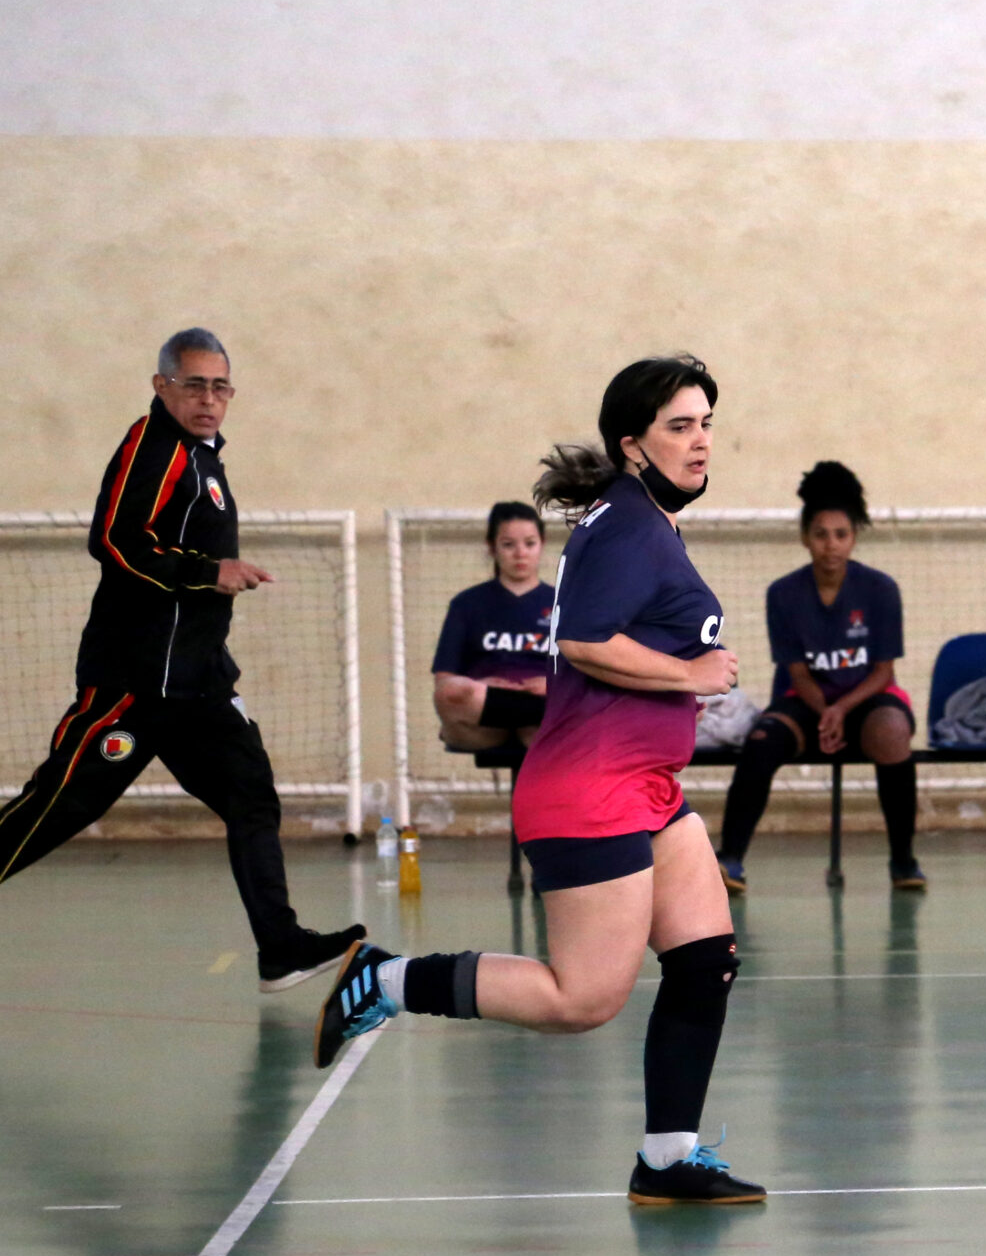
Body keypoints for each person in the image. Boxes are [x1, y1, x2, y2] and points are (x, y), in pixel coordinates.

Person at [314, 355, 762, 1206]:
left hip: (645, 785)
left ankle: (668, 1160)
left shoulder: (643, 517)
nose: (701, 440)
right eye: (680, 426)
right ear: (633, 444)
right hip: (590, 786)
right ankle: (384, 978)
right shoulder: (629, 524)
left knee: (706, 962)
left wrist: (682, 678)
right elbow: (588, 641)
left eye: (705, 422)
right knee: (581, 999)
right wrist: (693, 675)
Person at [0, 328, 361, 992]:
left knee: (251, 798)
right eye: (194, 385)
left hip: (196, 686)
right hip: (134, 681)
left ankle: (281, 947)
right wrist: (207, 570)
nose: (208, 399)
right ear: (163, 387)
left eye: (220, 387)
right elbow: (116, 541)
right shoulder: (154, 446)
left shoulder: (204, 459)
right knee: (60, 806)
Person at [714, 462, 921, 892]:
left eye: (841, 535)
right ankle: (730, 860)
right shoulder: (783, 594)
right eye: (821, 534)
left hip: (868, 697)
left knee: (892, 731)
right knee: (761, 742)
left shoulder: (881, 589)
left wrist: (842, 709)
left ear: (854, 537)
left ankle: (903, 861)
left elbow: (884, 671)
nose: (832, 545)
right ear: (805, 537)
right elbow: (796, 671)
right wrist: (826, 712)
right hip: (805, 700)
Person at [432, 501, 555, 751]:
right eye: (509, 545)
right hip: (483, 716)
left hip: (547, 706)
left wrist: (553, 683)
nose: (520, 553)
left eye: (529, 543)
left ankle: (531, 722)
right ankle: (521, 718)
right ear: (492, 548)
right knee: (450, 693)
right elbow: (444, 679)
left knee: (575, 695)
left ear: (541, 545)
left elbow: (586, 672)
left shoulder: (566, 603)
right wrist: (484, 687)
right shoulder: (466, 604)